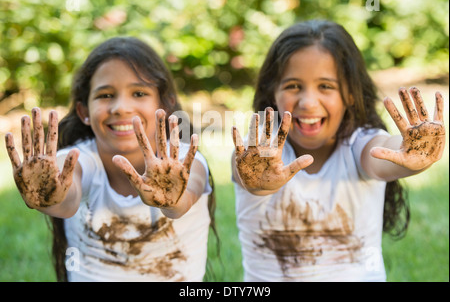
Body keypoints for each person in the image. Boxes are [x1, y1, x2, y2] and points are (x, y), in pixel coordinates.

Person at [231, 20, 445, 281]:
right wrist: (256, 181)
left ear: (350, 95)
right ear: (272, 92)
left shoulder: (359, 143)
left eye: (326, 86)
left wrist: (413, 154)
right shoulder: (257, 155)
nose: (308, 102)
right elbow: (247, 174)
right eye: (293, 86)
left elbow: (383, 155)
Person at [5, 37, 216, 282]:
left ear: (166, 105)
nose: (120, 107)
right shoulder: (79, 160)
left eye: (139, 93)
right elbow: (66, 200)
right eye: (105, 95)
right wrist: (49, 196)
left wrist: (173, 199)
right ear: (84, 112)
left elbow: (185, 197)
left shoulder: (185, 161)